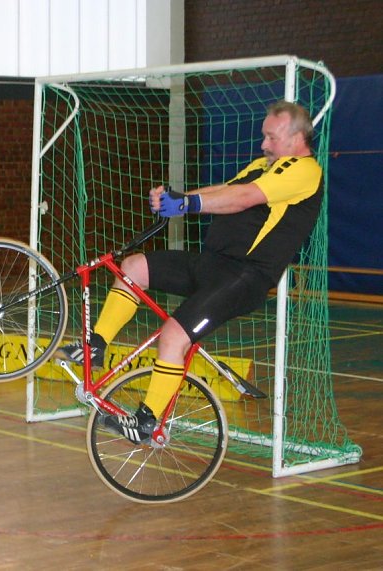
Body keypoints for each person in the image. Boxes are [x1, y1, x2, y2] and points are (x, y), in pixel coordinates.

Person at [56, 100, 323, 444]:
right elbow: (224, 191)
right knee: (134, 267)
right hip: (212, 264)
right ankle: (95, 346)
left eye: (271, 137)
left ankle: (146, 422)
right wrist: (177, 198)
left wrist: (187, 204)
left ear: (296, 136)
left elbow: (244, 198)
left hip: (243, 277)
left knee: (172, 336)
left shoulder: (305, 170)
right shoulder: (265, 164)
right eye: (264, 137)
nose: (263, 144)